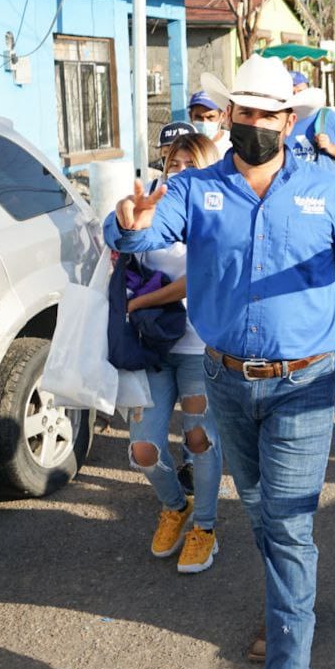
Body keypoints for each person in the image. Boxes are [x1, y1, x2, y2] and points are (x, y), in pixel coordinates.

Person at [105, 54, 335, 669]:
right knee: (263, 510)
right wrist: (127, 226)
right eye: (244, 111)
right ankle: (293, 601)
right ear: (230, 114)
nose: (253, 122)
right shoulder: (194, 188)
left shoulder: (325, 190)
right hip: (226, 380)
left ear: (288, 119)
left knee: (288, 524)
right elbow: (143, 230)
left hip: (304, 383)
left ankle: (288, 665)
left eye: (267, 113)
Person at [125, 132, 223, 575]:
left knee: (199, 439)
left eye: (190, 163)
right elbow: (130, 259)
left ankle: (204, 526)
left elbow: (200, 278)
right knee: (144, 448)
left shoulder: (218, 216)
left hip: (202, 347)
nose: (180, 171)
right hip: (153, 347)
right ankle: (174, 506)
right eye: (174, 163)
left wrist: (140, 303)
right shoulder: (154, 214)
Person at [188, 91, 233, 155]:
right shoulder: (185, 145)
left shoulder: (232, 144)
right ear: (190, 116)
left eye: (210, 117)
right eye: (198, 117)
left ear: (223, 116)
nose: (204, 122)